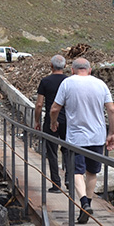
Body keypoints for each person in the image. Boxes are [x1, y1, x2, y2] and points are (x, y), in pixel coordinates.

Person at [49, 57, 114, 224]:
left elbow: (55, 108)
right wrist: (112, 133)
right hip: (97, 136)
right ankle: (87, 204)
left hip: (76, 137)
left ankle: (84, 203)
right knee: (92, 173)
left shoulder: (67, 83)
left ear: (72, 70)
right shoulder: (100, 84)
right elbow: (112, 110)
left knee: (76, 172)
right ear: (90, 69)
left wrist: (53, 122)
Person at [34, 55, 70, 193]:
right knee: (68, 150)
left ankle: (56, 184)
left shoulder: (45, 81)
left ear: (51, 66)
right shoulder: (69, 81)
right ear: (65, 66)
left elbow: (39, 104)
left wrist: (37, 121)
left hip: (51, 121)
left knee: (52, 152)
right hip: (68, 120)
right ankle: (69, 180)